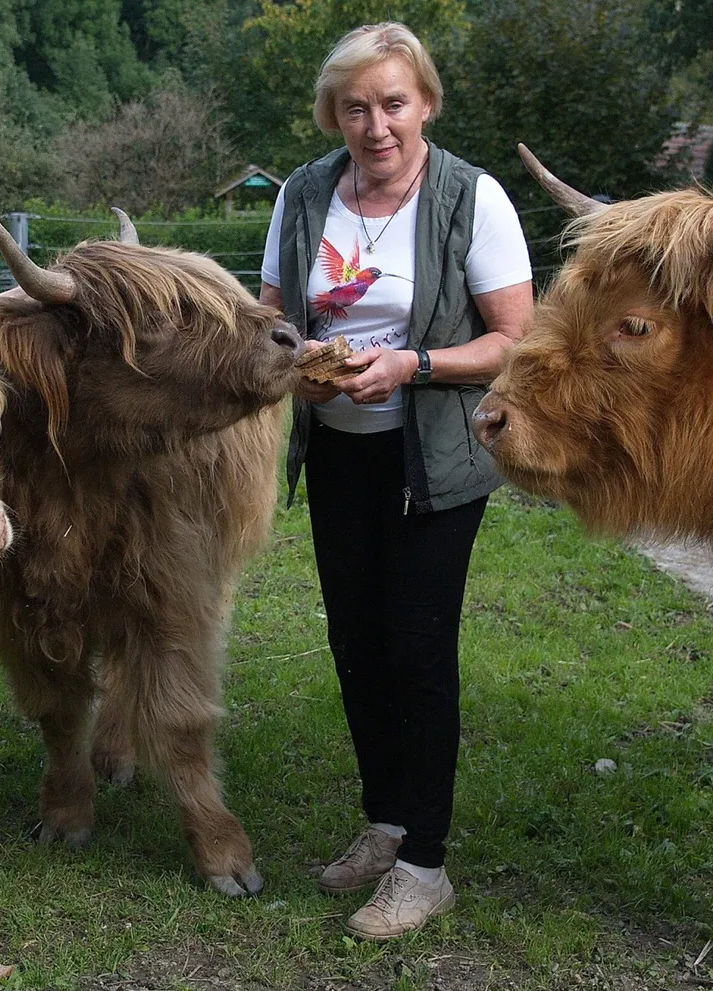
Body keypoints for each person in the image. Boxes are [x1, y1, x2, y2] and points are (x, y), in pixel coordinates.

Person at [258, 22, 533, 941]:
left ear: (426, 105)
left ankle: (426, 866)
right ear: (333, 114)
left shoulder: (470, 197)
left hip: (433, 457)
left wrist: (412, 365)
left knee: (417, 648)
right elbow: (270, 311)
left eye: (393, 104)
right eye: (355, 108)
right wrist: (294, 365)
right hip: (337, 450)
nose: (375, 126)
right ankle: (386, 822)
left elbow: (515, 340)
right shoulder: (303, 194)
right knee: (356, 641)